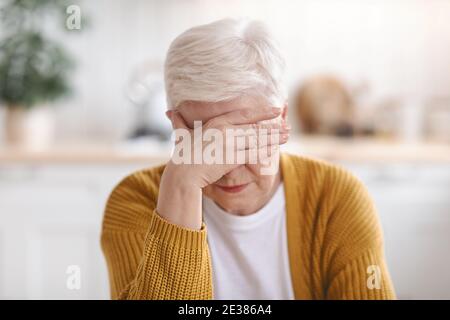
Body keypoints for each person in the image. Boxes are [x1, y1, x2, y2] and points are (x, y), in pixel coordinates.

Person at [101, 18, 395, 300]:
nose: (228, 172)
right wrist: (180, 187)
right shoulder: (134, 200)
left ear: (281, 117)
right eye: (207, 144)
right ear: (176, 127)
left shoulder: (337, 198)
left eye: (245, 139)